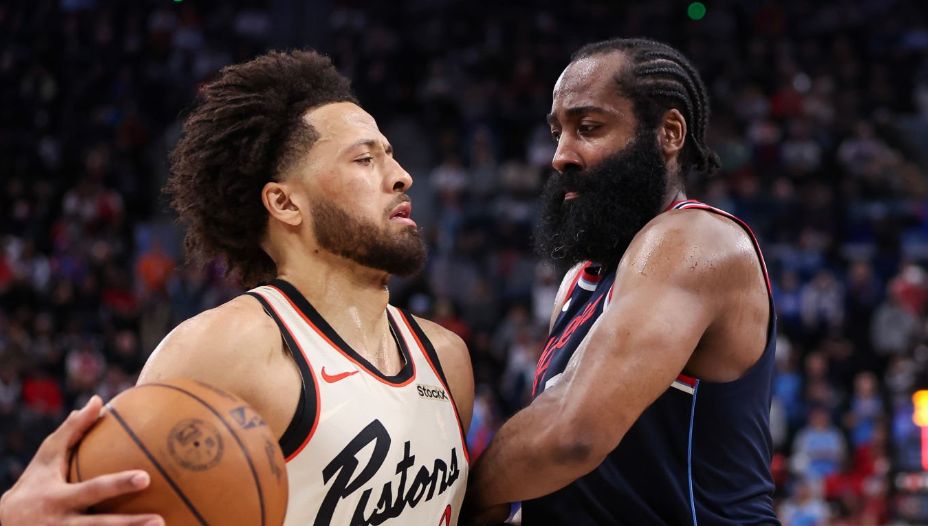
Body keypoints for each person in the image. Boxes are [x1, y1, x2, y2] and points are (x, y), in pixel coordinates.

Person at [0, 50, 473, 526]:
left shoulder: (447, 359)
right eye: (365, 159)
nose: (402, 176)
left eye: (391, 155)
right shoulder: (221, 352)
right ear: (285, 203)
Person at [466, 38, 778, 525]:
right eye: (557, 133)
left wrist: (460, 500)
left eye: (588, 128)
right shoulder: (579, 282)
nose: (561, 156)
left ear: (669, 133)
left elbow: (573, 434)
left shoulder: (694, 240)